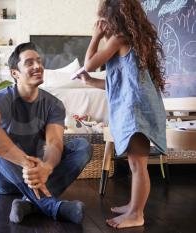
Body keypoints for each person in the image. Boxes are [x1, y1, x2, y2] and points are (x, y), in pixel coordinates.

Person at [74, 0, 167, 229]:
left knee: (138, 165)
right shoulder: (132, 39)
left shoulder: (119, 38)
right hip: (138, 107)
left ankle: (136, 214)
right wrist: (90, 82)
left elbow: (89, 63)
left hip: (136, 111)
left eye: (103, 18)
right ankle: (134, 206)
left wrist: (95, 36)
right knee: (137, 163)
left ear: (111, 16)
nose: (101, 22)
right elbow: (122, 85)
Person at [0, 42, 92, 224]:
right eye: (29, 63)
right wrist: (25, 163)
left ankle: (28, 203)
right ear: (15, 73)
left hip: (38, 175)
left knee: (82, 146)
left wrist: (47, 167)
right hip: (5, 177)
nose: (38, 66)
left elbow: (54, 143)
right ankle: (51, 206)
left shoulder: (53, 104)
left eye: (39, 61)